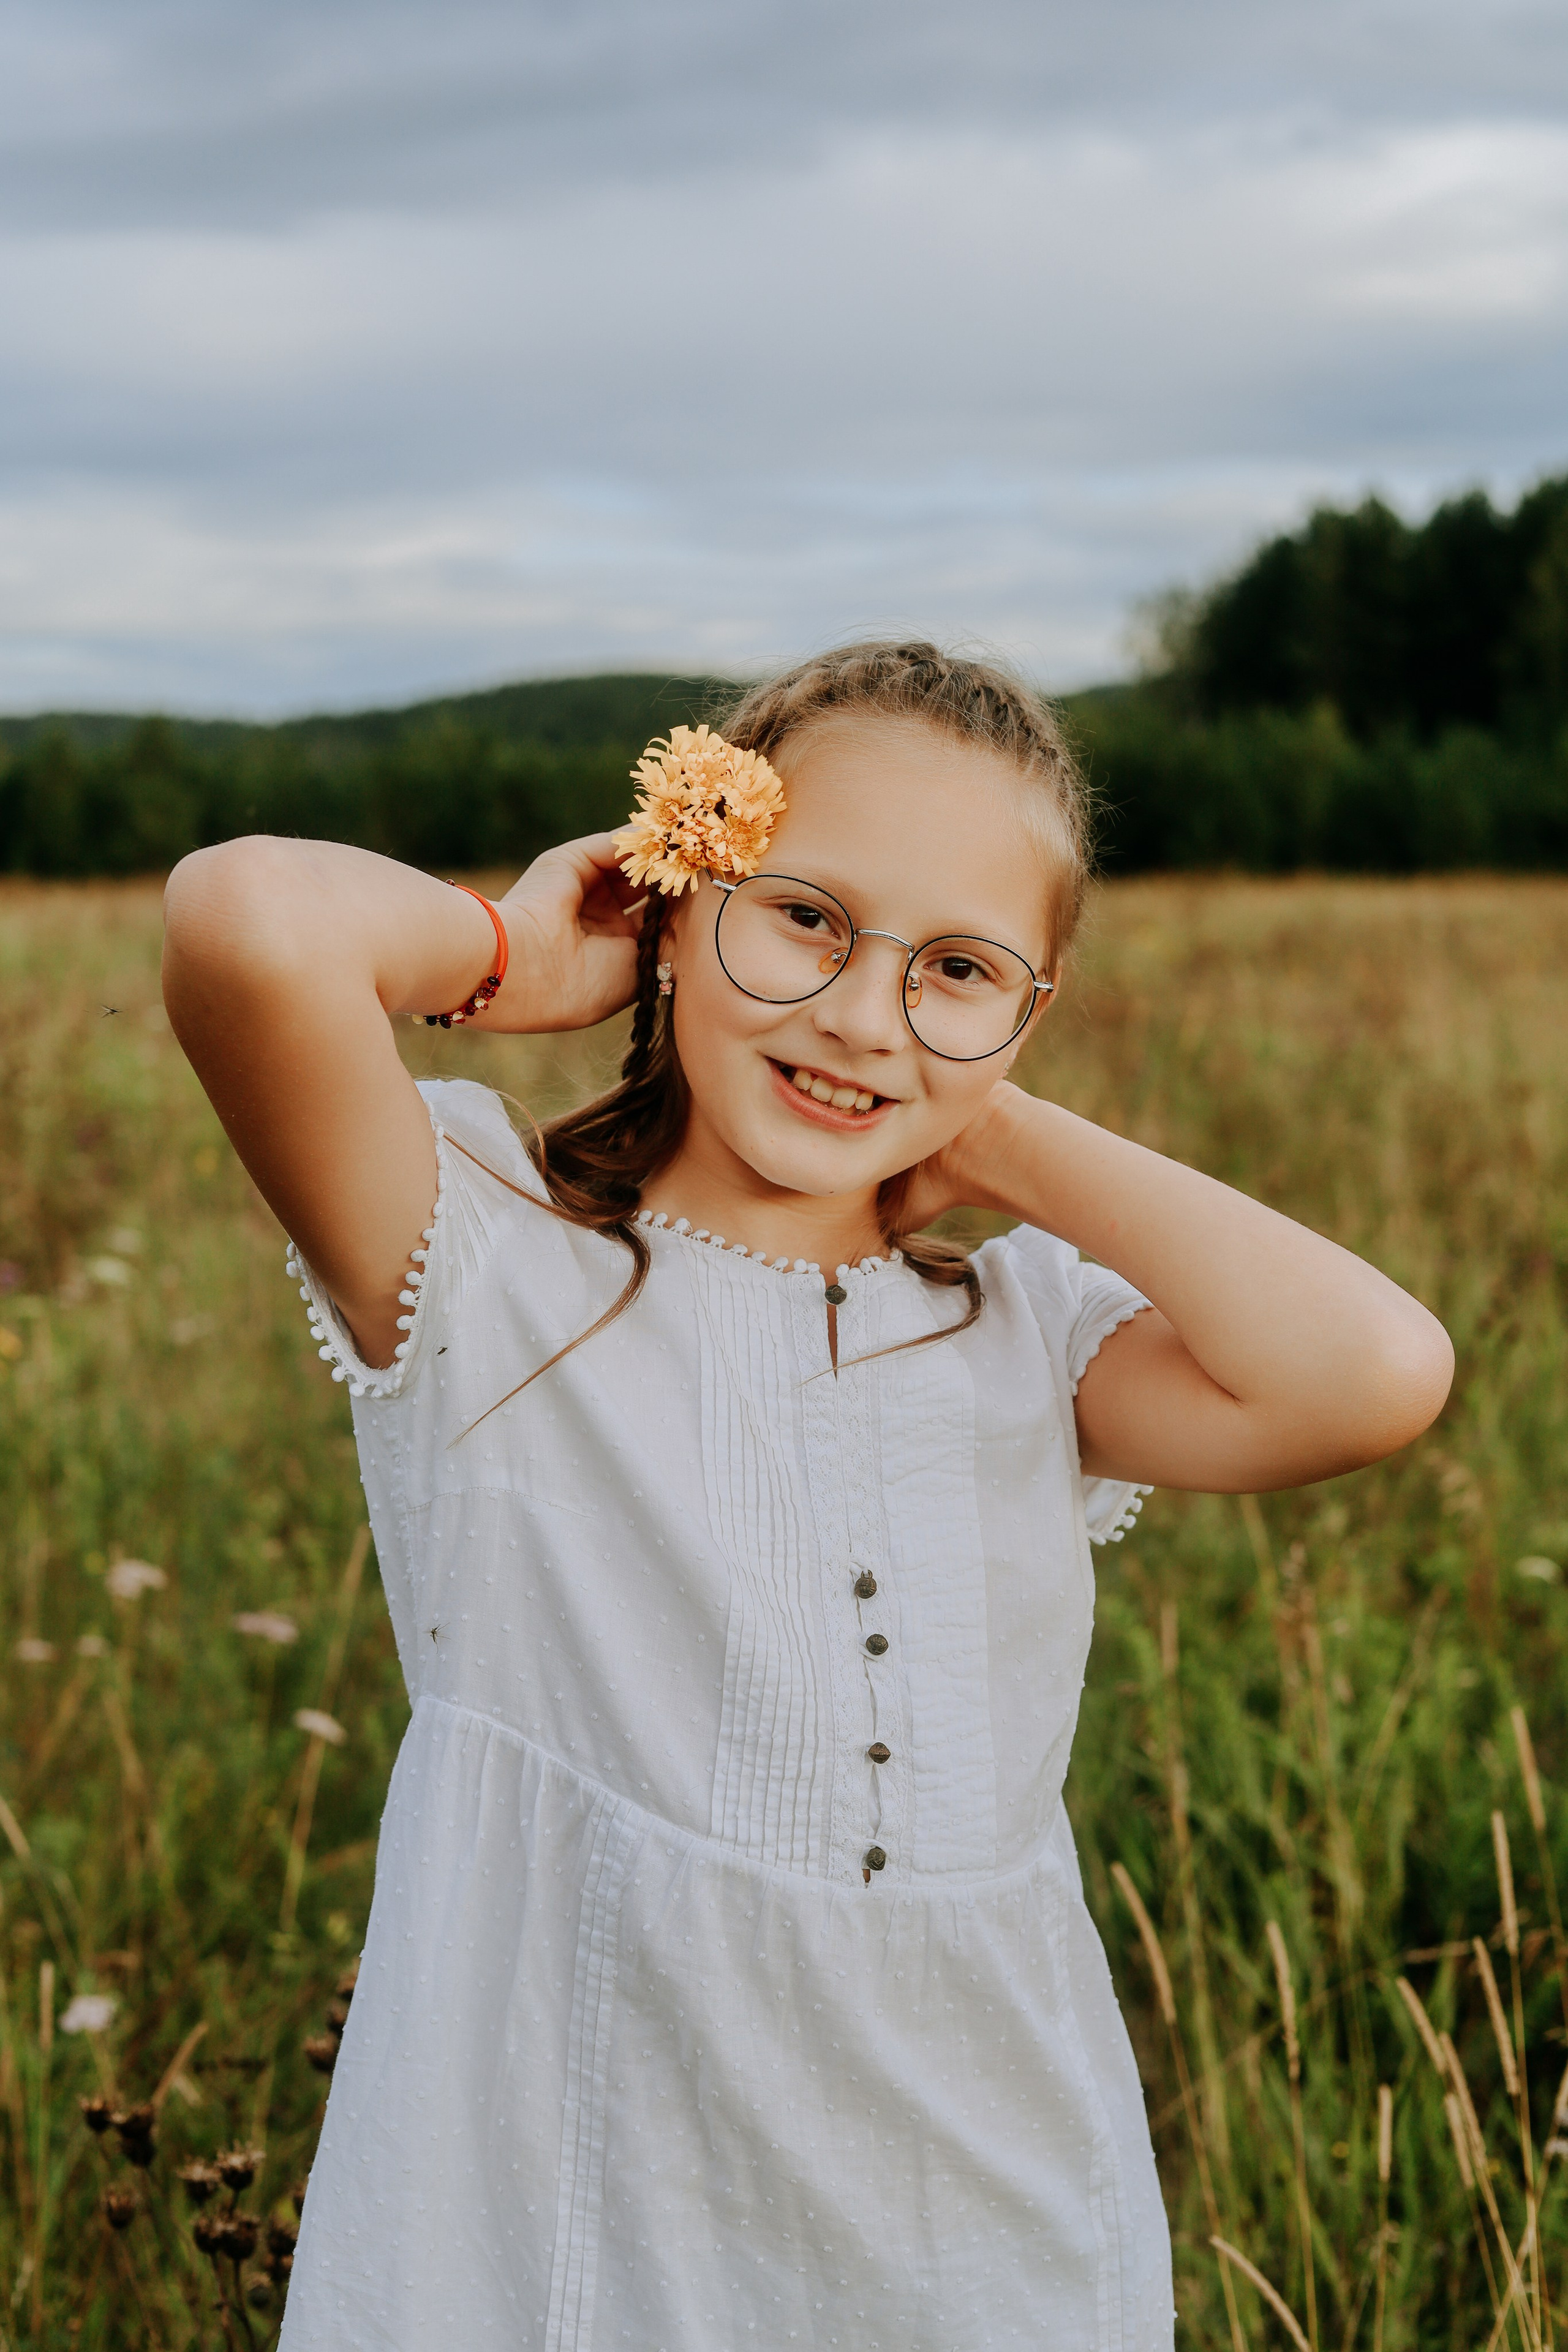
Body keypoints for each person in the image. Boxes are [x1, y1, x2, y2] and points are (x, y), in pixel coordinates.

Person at [162, 639, 1452, 2351]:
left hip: (983, 2224)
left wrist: (985, 1132)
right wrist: (520, 954)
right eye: (807, 920)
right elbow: (244, 923)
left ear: (1033, 1012)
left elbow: (1374, 1372)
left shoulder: (1020, 1331)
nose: (861, 1017)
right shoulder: (483, 1255)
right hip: (572, 2203)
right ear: (682, 903)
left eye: (962, 969)